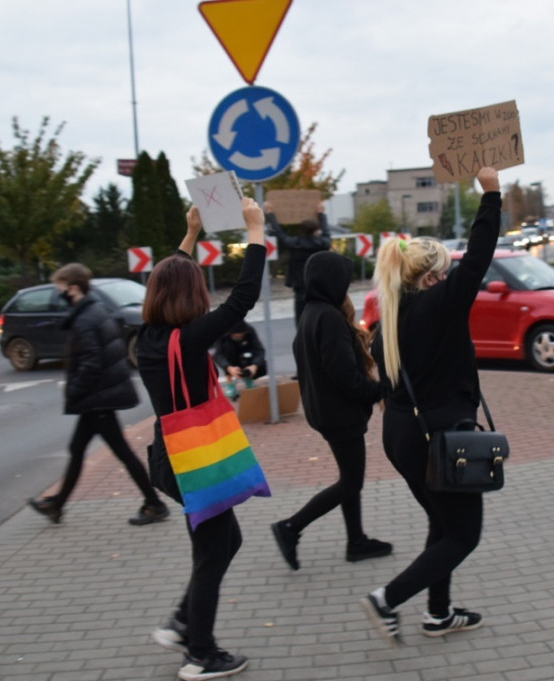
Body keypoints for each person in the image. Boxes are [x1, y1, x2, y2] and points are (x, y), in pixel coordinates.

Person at [359, 166, 500, 646]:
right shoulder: (439, 306)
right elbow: (479, 259)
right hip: (439, 438)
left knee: (443, 525)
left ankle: (439, 614)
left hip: (403, 436)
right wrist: (491, 195)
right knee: (463, 536)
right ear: (436, 276)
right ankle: (386, 599)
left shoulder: (391, 320)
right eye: (446, 271)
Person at [137, 198, 266, 681]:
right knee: (213, 552)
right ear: (191, 295)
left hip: (169, 456)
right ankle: (201, 653)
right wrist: (255, 231)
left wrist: (189, 234)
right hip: (194, 459)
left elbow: (168, 278)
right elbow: (243, 298)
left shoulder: (147, 337)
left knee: (224, 539)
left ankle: (184, 621)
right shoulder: (190, 339)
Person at [270, 250, 391, 571]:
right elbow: (346, 378)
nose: (346, 285)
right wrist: (383, 389)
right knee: (351, 482)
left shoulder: (311, 312)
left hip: (324, 412)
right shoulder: (330, 318)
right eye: (344, 279)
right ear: (331, 281)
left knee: (350, 478)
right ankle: (291, 527)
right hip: (340, 414)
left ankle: (356, 541)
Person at [28, 263, 168, 527]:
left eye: (60, 288)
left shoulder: (84, 319)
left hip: (97, 398)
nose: (58, 294)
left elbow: (92, 361)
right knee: (79, 449)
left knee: (121, 452)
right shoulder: (96, 310)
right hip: (101, 396)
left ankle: (155, 504)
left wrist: (75, 390)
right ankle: (56, 505)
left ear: (72, 288)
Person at [264, 201, 330, 326]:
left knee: (301, 320)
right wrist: (321, 214)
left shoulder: (294, 244)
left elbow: (279, 233)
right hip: (320, 287)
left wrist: (270, 213)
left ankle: (303, 341)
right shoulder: (323, 244)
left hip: (300, 287)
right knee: (320, 317)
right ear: (316, 230)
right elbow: (326, 232)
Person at [213, 319, 267, 398]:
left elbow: (259, 349)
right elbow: (218, 355)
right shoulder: (221, 333)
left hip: (246, 353)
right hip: (230, 355)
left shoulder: (249, 330)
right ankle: (230, 384)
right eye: (236, 336)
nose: (239, 338)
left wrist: (255, 365)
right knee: (228, 350)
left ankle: (248, 378)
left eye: (241, 336)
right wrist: (228, 367)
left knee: (260, 364)